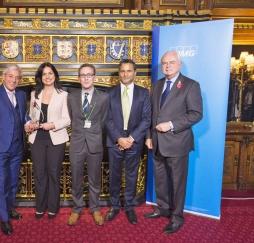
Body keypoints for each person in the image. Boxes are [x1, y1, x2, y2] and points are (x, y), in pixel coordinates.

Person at [144, 51, 203, 234]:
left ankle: (177, 218)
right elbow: (151, 115)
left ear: (179, 64)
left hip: (178, 143)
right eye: (164, 63)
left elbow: (196, 114)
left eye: (171, 62)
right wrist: (148, 136)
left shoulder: (190, 85)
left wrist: (170, 125)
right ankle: (162, 208)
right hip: (157, 143)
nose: (167, 66)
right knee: (160, 180)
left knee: (178, 183)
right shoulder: (156, 85)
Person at [105, 59, 151, 224]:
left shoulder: (143, 93)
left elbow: (147, 119)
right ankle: (115, 206)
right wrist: (119, 138)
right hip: (115, 141)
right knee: (114, 176)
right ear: (119, 73)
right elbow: (107, 118)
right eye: (122, 71)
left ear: (134, 73)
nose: (125, 74)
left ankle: (130, 207)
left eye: (129, 71)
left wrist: (131, 138)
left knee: (131, 175)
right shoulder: (109, 93)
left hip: (134, 141)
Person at [0, 64, 27, 235]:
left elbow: (23, 116)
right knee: (1, 183)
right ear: (3, 76)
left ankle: (9, 209)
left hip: (17, 145)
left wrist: (29, 123)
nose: (14, 80)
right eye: (11, 76)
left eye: (17, 78)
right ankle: (4, 219)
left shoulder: (22, 95)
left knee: (13, 181)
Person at [24, 62, 70, 220]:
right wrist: (29, 125)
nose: (48, 76)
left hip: (56, 139)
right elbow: (32, 116)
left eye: (50, 73)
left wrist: (53, 125)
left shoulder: (63, 94)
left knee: (53, 173)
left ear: (55, 75)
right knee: (39, 174)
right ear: (40, 77)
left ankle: (53, 207)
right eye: (44, 74)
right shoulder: (34, 93)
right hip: (37, 138)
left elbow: (67, 119)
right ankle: (40, 206)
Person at [67, 63, 109, 226]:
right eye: (83, 75)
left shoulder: (103, 97)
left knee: (94, 179)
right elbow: (71, 117)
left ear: (94, 77)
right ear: (79, 78)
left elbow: (103, 120)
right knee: (76, 179)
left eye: (89, 74)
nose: (86, 78)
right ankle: (77, 208)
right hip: (77, 143)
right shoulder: (71, 96)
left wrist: (92, 132)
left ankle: (95, 208)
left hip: (95, 144)